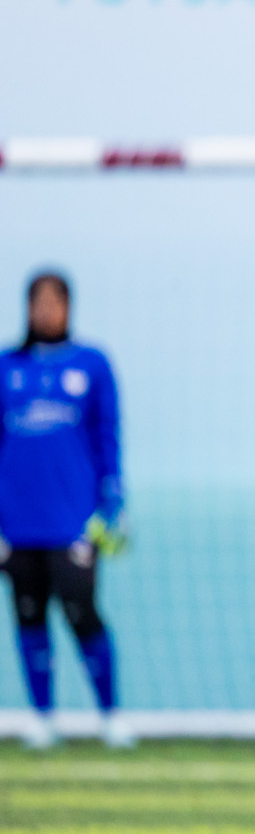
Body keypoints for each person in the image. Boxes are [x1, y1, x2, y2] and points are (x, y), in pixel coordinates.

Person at [0, 272, 131, 750]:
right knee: (28, 616)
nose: (47, 310)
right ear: (27, 307)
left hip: (73, 521)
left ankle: (111, 715)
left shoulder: (91, 364)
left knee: (83, 613)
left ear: (69, 307)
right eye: (39, 301)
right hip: (17, 523)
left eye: (56, 301)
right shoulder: (6, 368)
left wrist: (113, 505)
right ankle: (42, 717)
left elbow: (108, 437)